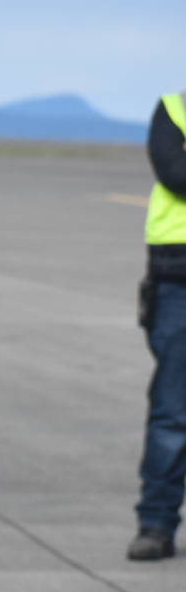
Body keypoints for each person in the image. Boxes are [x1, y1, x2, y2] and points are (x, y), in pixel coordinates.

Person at [127, 88, 186, 561]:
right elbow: (176, 173)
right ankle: (156, 523)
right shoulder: (174, 107)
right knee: (173, 410)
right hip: (178, 279)